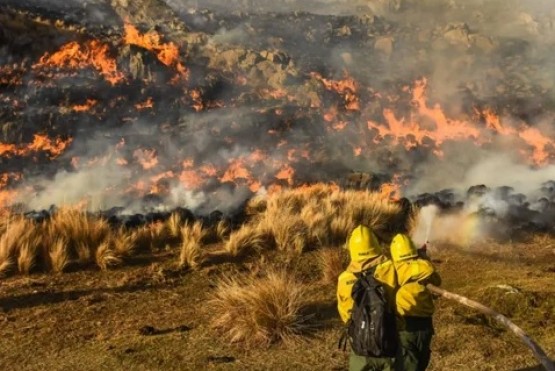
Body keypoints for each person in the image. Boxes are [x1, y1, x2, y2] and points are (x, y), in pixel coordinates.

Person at [337, 225, 398, 371]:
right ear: (375, 244)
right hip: (388, 341)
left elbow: (344, 313)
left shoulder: (344, 279)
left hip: (360, 344)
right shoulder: (390, 268)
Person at [390, 234, 441, 371]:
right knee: (418, 361)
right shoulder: (423, 267)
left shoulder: (391, 269)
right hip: (422, 324)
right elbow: (434, 277)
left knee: (409, 361)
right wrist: (423, 258)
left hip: (405, 324)